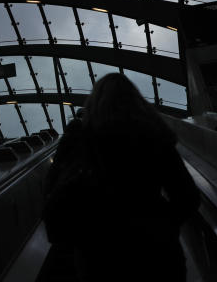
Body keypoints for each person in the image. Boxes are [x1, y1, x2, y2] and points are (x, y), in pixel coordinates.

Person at [43, 73, 199, 282]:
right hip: (158, 257)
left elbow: (51, 191)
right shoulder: (153, 135)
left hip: (99, 259)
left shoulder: (80, 137)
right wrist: (162, 223)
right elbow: (188, 197)